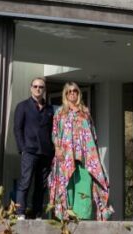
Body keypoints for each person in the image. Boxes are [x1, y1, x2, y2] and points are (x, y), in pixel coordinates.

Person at [47, 82, 112, 221]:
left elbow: (93, 134)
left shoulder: (85, 111)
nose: (72, 93)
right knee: (67, 184)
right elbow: (55, 133)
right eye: (69, 91)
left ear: (78, 93)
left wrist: (95, 156)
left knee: (85, 182)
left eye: (75, 91)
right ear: (65, 94)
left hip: (85, 156)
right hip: (66, 155)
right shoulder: (60, 112)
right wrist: (57, 149)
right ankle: (66, 214)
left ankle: (83, 215)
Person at [13, 77, 54, 219]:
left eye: (41, 87)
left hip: (46, 152)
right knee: (25, 182)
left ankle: (37, 213)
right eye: (35, 86)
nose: (38, 89)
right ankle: (20, 213)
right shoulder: (22, 106)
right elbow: (17, 129)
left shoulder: (50, 109)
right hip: (29, 151)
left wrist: (53, 150)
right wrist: (22, 149)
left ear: (44, 90)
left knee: (41, 186)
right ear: (31, 88)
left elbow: (53, 131)